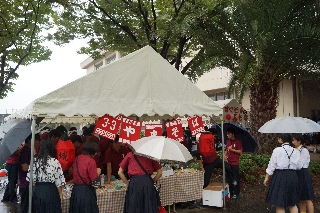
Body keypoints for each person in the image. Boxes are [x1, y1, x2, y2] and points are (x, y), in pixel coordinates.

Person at [264, 133, 300, 213]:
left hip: (280, 176)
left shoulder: (277, 150)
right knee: (292, 203)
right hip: (292, 176)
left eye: (278, 138)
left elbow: (271, 165)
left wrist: (267, 177)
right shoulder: (296, 151)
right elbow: (299, 166)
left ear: (281, 139)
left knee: (280, 203)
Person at [31, 138, 66, 213]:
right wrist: (60, 194)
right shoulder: (55, 162)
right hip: (51, 191)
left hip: (38, 190)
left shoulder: (35, 161)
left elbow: (32, 181)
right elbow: (58, 181)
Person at [69, 140, 101, 213]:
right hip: (86, 191)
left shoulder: (77, 158)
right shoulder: (91, 161)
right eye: (95, 151)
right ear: (92, 151)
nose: (96, 153)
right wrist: (98, 171)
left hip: (76, 190)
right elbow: (93, 178)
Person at [292, 133, 314, 213]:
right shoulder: (293, 150)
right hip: (297, 174)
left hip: (303, 174)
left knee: (307, 198)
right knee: (301, 197)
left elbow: (299, 165)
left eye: (294, 140)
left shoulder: (304, 151)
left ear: (299, 141)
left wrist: (292, 164)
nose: (292, 142)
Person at [225, 127, 243, 199]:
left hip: (235, 163)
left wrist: (232, 149)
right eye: (227, 134)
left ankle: (236, 193)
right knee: (229, 178)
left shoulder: (238, 142)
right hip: (228, 162)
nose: (227, 135)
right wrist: (225, 156)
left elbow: (240, 152)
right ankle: (230, 192)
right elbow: (226, 150)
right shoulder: (227, 142)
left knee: (235, 178)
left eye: (229, 134)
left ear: (232, 134)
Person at [18, 135, 32, 213]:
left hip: (27, 183)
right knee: (24, 206)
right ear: (30, 140)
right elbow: (25, 167)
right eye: (36, 140)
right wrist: (36, 165)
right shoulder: (25, 151)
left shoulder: (29, 150)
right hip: (25, 183)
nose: (37, 142)